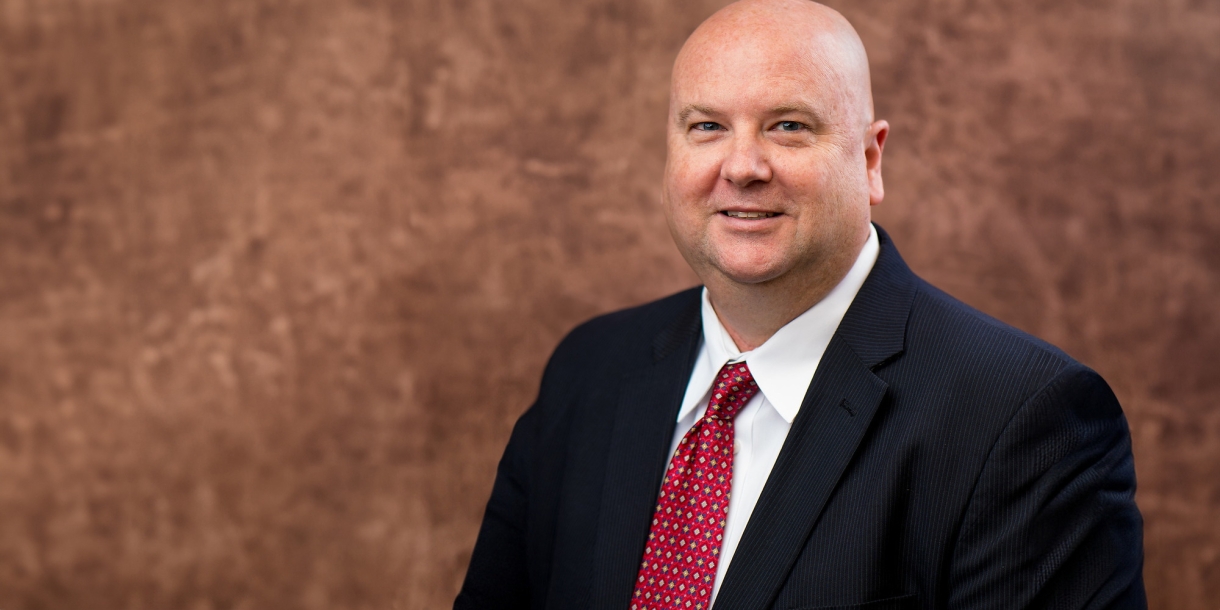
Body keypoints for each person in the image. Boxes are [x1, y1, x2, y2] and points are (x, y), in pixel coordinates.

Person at [454, 0, 1146, 608]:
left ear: (870, 160)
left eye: (788, 126)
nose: (743, 167)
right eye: (707, 127)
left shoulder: (1024, 420)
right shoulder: (588, 372)